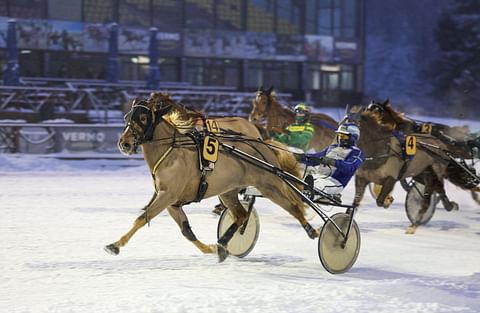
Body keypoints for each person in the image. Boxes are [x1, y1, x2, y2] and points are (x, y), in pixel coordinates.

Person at [299, 123, 364, 201]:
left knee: (319, 185)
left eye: (344, 136)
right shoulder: (332, 148)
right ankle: (309, 191)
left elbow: (350, 167)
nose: (341, 138)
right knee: (302, 181)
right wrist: (298, 157)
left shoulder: (356, 152)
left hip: (335, 182)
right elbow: (315, 157)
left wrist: (332, 162)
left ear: (353, 137)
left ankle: (316, 195)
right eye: (340, 135)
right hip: (319, 177)